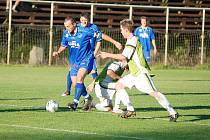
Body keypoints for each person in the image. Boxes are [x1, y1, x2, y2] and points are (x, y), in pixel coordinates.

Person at [99, 18, 179, 121]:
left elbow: (123, 56)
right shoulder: (130, 40)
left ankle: (172, 112)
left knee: (154, 93)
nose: (121, 31)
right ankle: (130, 109)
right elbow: (128, 57)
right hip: (134, 74)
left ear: (126, 30)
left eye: (121, 29)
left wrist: (107, 54)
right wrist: (127, 64)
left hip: (141, 74)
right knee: (119, 85)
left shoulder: (133, 40)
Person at [61, 12, 123, 97]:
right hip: (79, 56)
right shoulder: (77, 27)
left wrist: (114, 42)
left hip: (90, 55)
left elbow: (101, 36)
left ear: (89, 20)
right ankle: (70, 91)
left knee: (93, 72)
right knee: (73, 74)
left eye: (85, 20)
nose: (83, 22)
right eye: (82, 20)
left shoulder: (93, 28)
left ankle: (99, 91)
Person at [53, 16, 94, 111]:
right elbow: (64, 45)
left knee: (80, 79)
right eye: (65, 27)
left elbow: (98, 35)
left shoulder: (84, 31)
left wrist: (114, 42)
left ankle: (75, 103)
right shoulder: (66, 34)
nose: (66, 28)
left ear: (74, 24)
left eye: (68, 26)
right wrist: (58, 52)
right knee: (76, 83)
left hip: (86, 59)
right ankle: (88, 98)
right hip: (74, 62)